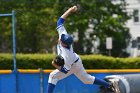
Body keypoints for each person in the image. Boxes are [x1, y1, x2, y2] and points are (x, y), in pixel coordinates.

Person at [47, 6, 114, 93]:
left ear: (64, 44)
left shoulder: (67, 55)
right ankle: (109, 85)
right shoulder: (64, 35)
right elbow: (60, 21)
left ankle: (109, 86)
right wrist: (70, 10)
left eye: (61, 40)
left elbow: (65, 70)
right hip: (76, 60)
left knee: (52, 76)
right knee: (86, 80)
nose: (60, 39)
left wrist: (55, 65)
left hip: (72, 64)